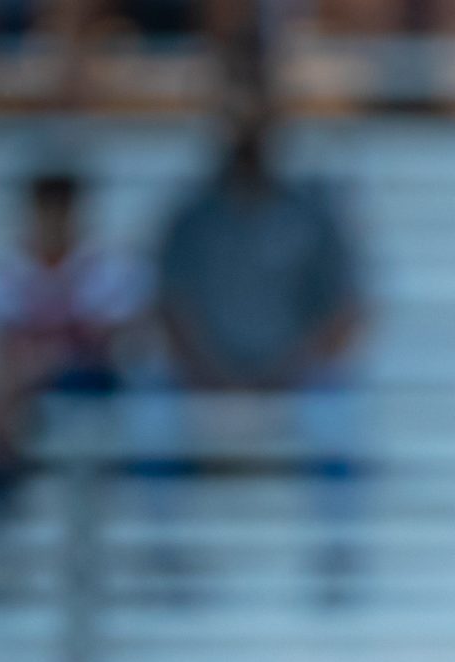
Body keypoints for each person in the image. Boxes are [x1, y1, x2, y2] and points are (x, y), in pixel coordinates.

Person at [135, 95, 365, 592]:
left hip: (290, 381)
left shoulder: (310, 213)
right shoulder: (192, 216)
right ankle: (165, 553)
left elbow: (347, 311)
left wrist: (290, 368)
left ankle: (337, 554)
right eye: (238, 133)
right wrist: (208, 372)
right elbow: (167, 306)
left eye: (257, 133)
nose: (247, 146)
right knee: (150, 405)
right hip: (204, 381)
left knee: (339, 403)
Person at [0, 167, 145, 517]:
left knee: (12, 387)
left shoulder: (105, 265)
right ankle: (0, 486)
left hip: (88, 380)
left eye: (60, 213)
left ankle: (0, 485)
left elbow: (105, 347)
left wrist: (44, 360)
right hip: (27, 382)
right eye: (45, 213)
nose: (52, 224)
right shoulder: (4, 267)